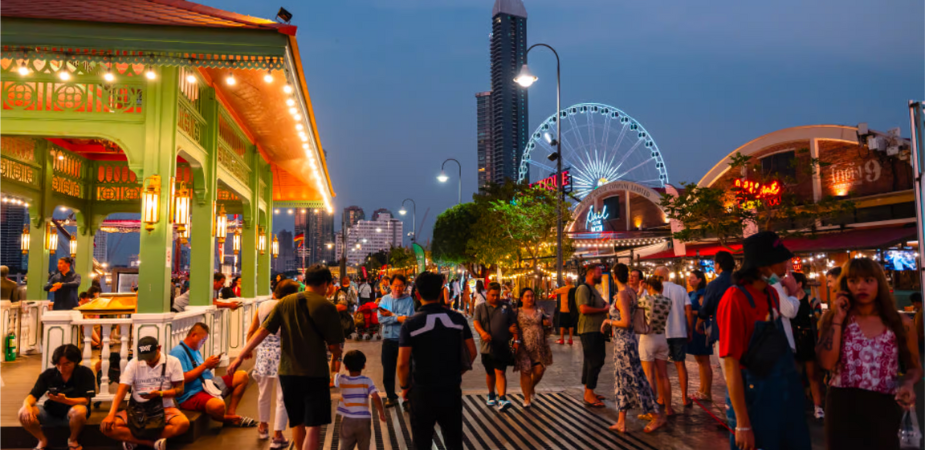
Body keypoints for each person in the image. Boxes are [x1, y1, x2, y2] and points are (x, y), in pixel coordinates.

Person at [228, 264, 345, 450]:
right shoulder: (326, 306)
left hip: (288, 372)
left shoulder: (285, 302)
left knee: (297, 423)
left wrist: (240, 356)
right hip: (314, 373)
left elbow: (262, 330)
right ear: (326, 284)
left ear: (305, 282)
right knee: (313, 428)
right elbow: (334, 347)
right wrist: (336, 357)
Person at [717, 231, 810, 450]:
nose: (785, 266)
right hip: (753, 399)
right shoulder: (735, 298)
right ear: (762, 266)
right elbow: (730, 363)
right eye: (780, 261)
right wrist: (742, 424)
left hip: (782, 394)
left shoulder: (772, 294)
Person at [817, 258, 921, 450]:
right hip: (842, 402)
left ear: (878, 283)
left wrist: (907, 383)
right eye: (853, 281)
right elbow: (826, 363)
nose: (860, 286)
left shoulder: (900, 322)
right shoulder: (834, 319)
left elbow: (914, 367)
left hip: (883, 403)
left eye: (868, 280)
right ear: (845, 284)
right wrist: (838, 318)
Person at [398, 271, 476, 450]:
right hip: (451, 389)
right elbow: (472, 352)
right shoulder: (458, 319)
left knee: (421, 441)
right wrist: (456, 371)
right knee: (453, 440)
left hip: (421, 391)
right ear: (441, 292)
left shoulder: (410, 324)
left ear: (417, 294)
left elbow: (402, 363)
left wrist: (405, 387)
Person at [601, 264, 664, 433]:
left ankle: (656, 415)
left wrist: (609, 322)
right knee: (623, 382)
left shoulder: (623, 294)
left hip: (625, 344)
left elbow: (626, 322)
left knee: (636, 381)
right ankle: (621, 420)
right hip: (626, 343)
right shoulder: (630, 292)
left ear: (614, 277)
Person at [101, 337, 190, 450]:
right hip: (137, 409)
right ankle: (152, 444)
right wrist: (111, 414)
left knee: (183, 424)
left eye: (151, 357)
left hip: (164, 407)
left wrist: (160, 394)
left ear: (159, 348)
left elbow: (180, 391)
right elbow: (121, 391)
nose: (148, 361)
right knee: (106, 427)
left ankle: (133, 441)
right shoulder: (133, 363)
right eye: (145, 358)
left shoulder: (173, 362)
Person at [245, 279, 300, 448]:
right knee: (283, 396)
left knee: (263, 393)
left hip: (264, 355)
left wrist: (248, 349)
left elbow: (252, 330)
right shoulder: (291, 308)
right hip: (284, 355)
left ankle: (263, 427)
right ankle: (278, 436)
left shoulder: (263, 306)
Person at [170, 323, 255, 427]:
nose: (203, 343)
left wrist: (210, 366)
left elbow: (198, 371)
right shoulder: (178, 352)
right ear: (193, 335)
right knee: (218, 406)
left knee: (242, 376)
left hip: (209, 384)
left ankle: (231, 413)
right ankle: (225, 419)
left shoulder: (195, 350)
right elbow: (183, 379)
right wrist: (205, 365)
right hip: (192, 393)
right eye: (203, 340)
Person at [19, 344, 94, 450]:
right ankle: (41, 440)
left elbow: (85, 400)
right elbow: (33, 395)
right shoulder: (49, 374)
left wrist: (65, 400)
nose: (61, 368)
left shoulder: (85, 373)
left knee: (79, 411)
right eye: (58, 364)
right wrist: (26, 405)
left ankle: (72, 440)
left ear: (76, 361)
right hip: (51, 411)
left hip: (73, 414)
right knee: (22, 412)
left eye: (67, 364)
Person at [473, 282, 520, 412]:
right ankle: (491, 393)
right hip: (487, 347)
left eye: (497, 295)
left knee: (500, 371)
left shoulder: (506, 307)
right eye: (492, 295)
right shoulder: (481, 308)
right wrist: (482, 333)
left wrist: (516, 341)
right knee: (490, 372)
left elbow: (514, 325)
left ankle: (502, 398)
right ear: (487, 294)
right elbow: (476, 322)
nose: (495, 297)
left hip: (502, 346)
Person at [654, 265, 692, 406]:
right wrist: (689, 329)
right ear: (668, 276)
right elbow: (688, 310)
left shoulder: (654, 291)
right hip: (679, 332)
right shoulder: (681, 289)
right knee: (680, 364)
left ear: (657, 276)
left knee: (661, 367)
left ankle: (662, 398)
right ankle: (684, 397)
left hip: (661, 333)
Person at [636, 276, 674, 416]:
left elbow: (633, 304)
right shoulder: (667, 301)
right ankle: (669, 408)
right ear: (661, 288)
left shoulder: (646, 299)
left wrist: (640, 291)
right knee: (664, 376)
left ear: (649, 287)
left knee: (649, 376)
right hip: (662, 338)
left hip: (648, 339)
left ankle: (651, 412)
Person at [789, 272, 825, 420]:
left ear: (799, 284)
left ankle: (818, 406)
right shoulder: (788, 301)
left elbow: (819, 321)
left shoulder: (811, 301)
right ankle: (797, 406)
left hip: (808, 338)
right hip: (793, 338)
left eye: (792, 282)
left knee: (812, 375)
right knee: (794, 375)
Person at [333, 350, 386, 450]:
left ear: (346, 367)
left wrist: (335, 360)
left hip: (348, 421)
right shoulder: (367, 381)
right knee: (364, 447)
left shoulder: (342, 379)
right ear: (364, 366)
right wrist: (381, 412)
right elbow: (376, 397)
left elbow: (332, 374)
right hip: (364, 421)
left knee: (345, 446)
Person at [377, 274, 416, 409]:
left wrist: (392, 315)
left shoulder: (409, 300)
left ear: (404, 286)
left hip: (404, 340)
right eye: (395, 285)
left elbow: (409, 319)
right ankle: (390, 396)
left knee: (407, 369)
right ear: (390, 286)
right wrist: (399, 319)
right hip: (388, 339)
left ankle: (407, 398)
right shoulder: (385, 299)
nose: (398, 288)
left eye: (401, 285)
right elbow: (381, 319)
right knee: (388, 370)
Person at [697, 251, 735, 382]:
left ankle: (731, 402)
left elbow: (706, 309)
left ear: (718, 265)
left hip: (722, 331)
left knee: (729, 374)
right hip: (743, 331)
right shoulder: (741, 281)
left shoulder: (715, 284)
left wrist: (698, 323)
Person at [577, 264, 610, 407]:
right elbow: (583, 309)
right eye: (598, 273)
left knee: (592, 360)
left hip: (597, 330)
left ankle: (589, 390)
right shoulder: (583, 289)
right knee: (595, 360)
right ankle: (589, 393)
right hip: (589, 329)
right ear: (590, 274)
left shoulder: (593, 290)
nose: (600, 275)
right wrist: (602, 309)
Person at [513, 288, 553, 407]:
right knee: (525, 371)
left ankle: (530, 388)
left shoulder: (540, 311)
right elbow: (511, 326)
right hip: (523, 345)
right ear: (521, 299)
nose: (530, 298)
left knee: (539, 370)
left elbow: (548, 326)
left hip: (539, 345)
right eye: (527, 296)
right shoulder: (516, 312)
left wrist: (548, 324)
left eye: (532, 296)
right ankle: (526, 398)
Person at [686, 270, 713, 401]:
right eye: (689, 278)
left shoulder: (702, 293)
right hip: (694, 328)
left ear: (699, 279)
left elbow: (705, 310)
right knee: (699, 360)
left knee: (704, 360)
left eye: (692, 278)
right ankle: (701, 389)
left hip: (701, 327)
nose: (690, 280)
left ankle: (706, 391)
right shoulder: (691, 293)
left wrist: (691, 312)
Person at [551, 278, 576, 345]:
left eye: (565, 281)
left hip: (564, 309)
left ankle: (562, 339)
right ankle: (570, 339)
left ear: (566, 282)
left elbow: (555, 291)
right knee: (571, 325)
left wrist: (554, 289)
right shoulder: (574, 288)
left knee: (562, 325)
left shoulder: (564, 288)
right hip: (571, 310)